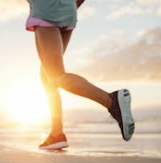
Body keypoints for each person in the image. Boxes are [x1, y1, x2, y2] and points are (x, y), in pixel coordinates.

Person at [25, 0, 135, 150]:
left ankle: (111, 101)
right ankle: (56, 134)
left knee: (56, 76)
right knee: (47, 76)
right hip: (68, 11)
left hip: (46, 10)